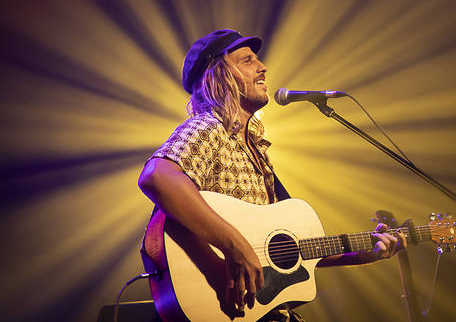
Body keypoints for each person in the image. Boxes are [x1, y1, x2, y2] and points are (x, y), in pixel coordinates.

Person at [138, 29, 406, 321]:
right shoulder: (207, 128)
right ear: (218, 76)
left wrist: (364, 251)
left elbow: (284, 251)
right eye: (247, 61)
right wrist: (234, 245)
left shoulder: (255, 149)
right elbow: (157, 176)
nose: (263, 67)